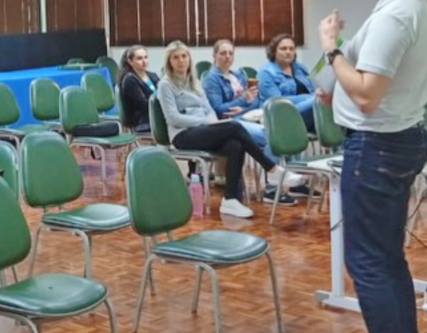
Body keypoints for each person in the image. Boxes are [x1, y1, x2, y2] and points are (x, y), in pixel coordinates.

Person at [318, 0, 427, 333]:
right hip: (393, 141)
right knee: (387, 259)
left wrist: (331, 48)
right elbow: (362, 85)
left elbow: (367, 95)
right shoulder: (407, 9)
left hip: (377, 147)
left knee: (368, 262)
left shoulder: (395, 16)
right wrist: (338, 85)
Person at [157, 41, 304, 219]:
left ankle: (230, 200)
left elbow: (209, 109)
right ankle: (272, 169)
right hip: (182, 135)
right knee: (235, 126)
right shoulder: (165, 85)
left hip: (201, 129)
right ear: (169, 61)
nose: (181, 61)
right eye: (176, 57)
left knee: (235, 145)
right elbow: (174, 118)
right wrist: (205, 122)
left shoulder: (194, 82)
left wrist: (211, 121)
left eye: (184, 56)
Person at [257, 33, 317, 131]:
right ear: (274, 51)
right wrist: (308, 98)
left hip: (307, 111)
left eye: (291, 48)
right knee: (318, 101)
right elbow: (278, 103)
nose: (288, 52)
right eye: (283, 49)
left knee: (331, 103)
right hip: (281, 116)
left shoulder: (300, 68)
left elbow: (313, 90)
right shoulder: (266, 73)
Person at [117, 44, 159, 133]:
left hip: (158, 115)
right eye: (139, 58)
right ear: (130, 61)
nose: (144, 61)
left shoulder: (153, 76)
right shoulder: (129, 80)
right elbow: (144, 105)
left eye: (146, 57)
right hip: (143, 120)